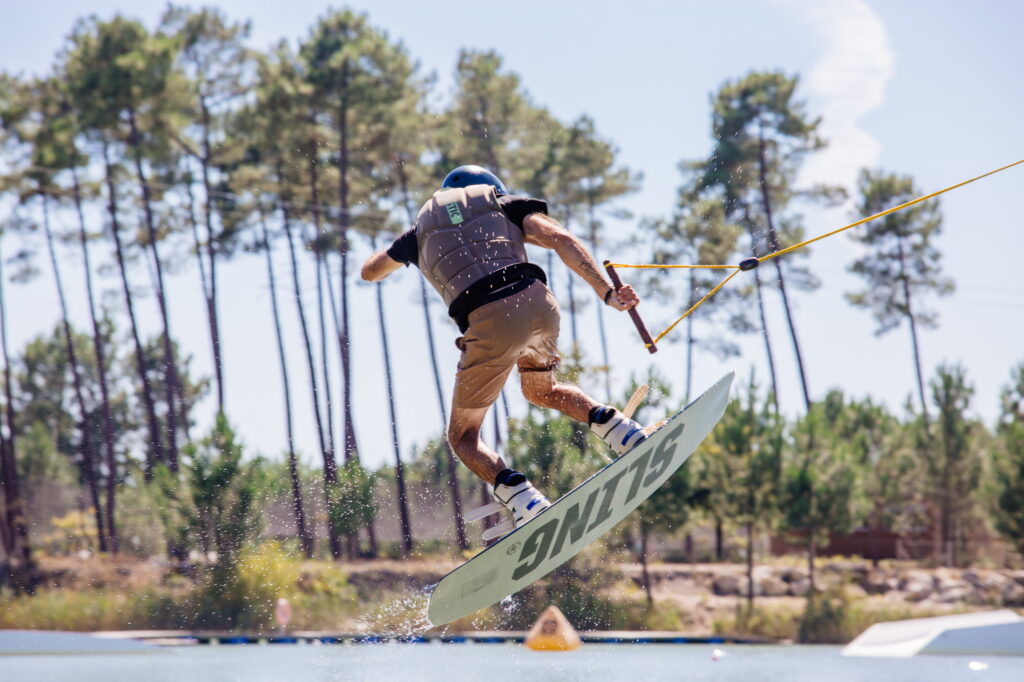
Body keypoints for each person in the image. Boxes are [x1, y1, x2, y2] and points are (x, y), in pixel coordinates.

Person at [361, 165, 646, 532]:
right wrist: (607, 292)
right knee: (541, 390)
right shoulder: (504, 205)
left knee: (463, 437)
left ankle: (524, 501)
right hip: (540, 307)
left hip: (490, 323)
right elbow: (561, 239)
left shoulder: (417, 236)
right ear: (492, 189)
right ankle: (621, 430)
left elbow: (370, 271)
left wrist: (400, 251)